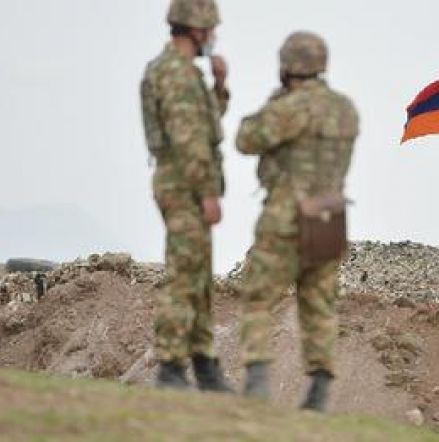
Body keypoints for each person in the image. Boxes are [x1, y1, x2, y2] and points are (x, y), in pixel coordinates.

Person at [235, 31, 360, 411]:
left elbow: (246, 139)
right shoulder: (346, 109)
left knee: (259, 296)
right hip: (329, 217)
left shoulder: (290, 108)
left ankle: (257, 383)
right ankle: (318, 392)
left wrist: (273, 103)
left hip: (286, 216)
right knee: (319, 304)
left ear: (287, 66)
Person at [139, 0, 231, 393]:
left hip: (184, 182)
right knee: (184, 275)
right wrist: (207, 193)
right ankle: (171, 366)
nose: (214, 36)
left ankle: (204, 365)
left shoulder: (183, 72)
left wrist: (220, 86)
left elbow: (205, 123)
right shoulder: (175, 74)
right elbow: (189, 140)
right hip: (184, 186)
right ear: (196, 29)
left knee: (198, 276)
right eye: (211, 29)